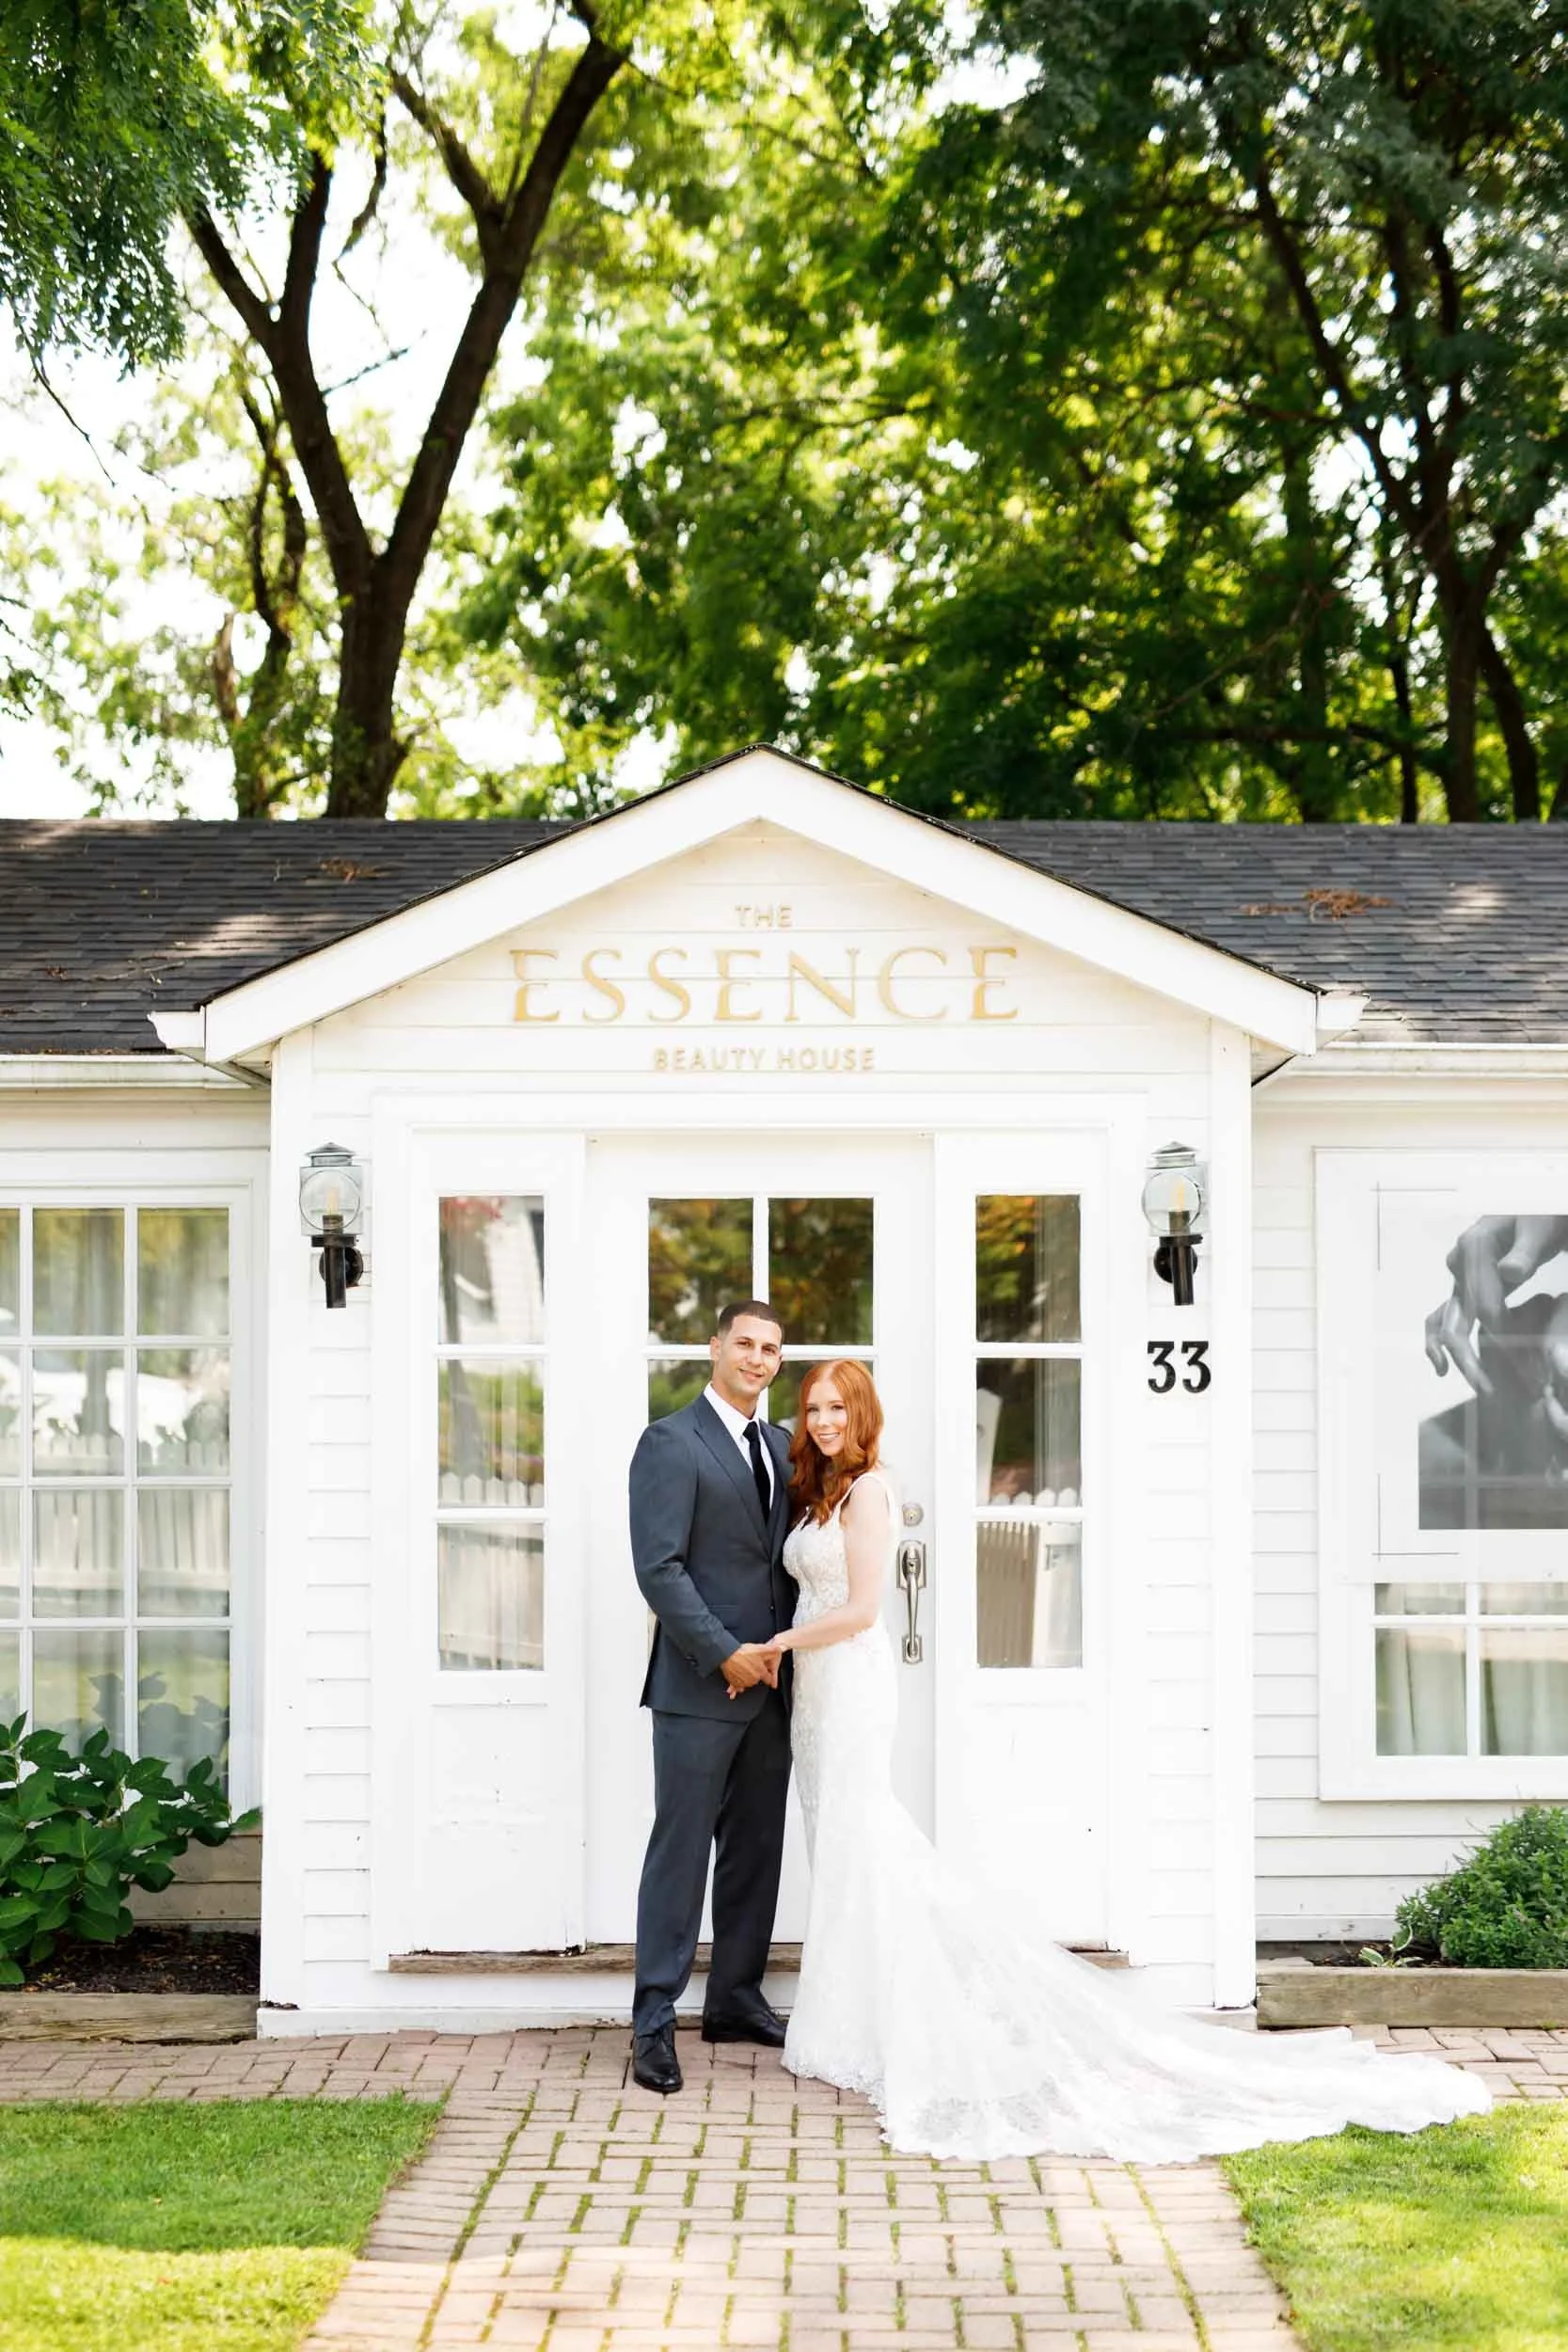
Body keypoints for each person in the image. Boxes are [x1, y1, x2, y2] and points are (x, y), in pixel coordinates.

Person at [755, 1358, 1492, 2163]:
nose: (824, 1420)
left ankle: (893, 2018)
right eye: (814, 1408)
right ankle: (846, 2015)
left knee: (868, 1842)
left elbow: (862, 1609)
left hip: (852, 1686)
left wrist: (781, 1643)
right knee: (837, 1844)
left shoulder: (867, 1490)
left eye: (838, 1407)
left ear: (863, 1414)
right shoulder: (817, 1490)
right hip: (817, 1696)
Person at [626, 1300, 795, 2096]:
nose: (758, 1359)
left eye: (771, 1350)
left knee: (756, 1848)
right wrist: (723, 1653)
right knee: (680, 1852)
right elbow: (659, 1568)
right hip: (698, 1686)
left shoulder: (783, 1446)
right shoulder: (669, 1442)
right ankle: (653, 2019)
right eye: (746, 1344)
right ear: (714, 1347)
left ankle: (733, 1999)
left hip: (773, 1687)